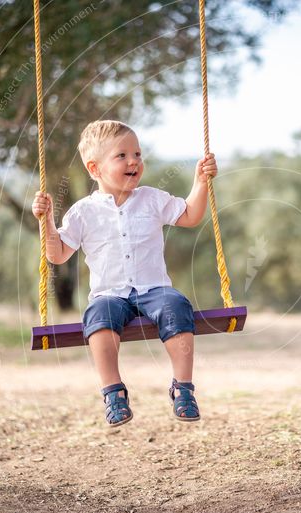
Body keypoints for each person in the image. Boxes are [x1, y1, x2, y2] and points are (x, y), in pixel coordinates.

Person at [31, 120, 217, 427]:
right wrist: (47, 220)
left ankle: (183, 387)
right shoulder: (82, 212)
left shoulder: (152, 199)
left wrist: (201, 182)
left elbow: (190, 215)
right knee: (99, 317)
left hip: (153, 288)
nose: (134, 161)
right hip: (110, 294)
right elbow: (57, 254)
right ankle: (113, 391)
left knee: (176, 305)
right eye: (122, 156)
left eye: (138, 154)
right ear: (95, 169)